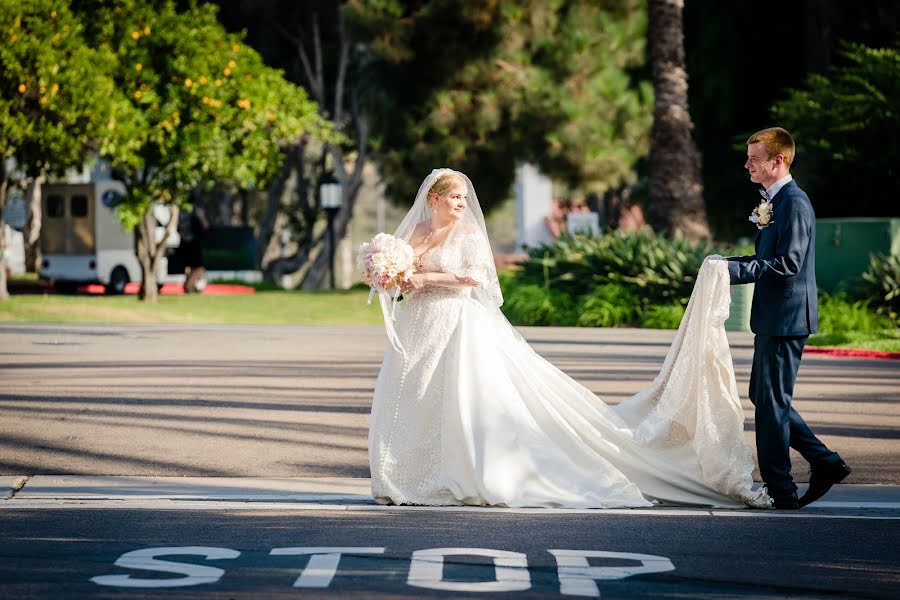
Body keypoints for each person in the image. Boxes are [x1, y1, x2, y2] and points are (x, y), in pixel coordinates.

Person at [368, 168, 770, 509]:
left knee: (461, 398)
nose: (461, 203)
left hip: (458, 322)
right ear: (434, 199)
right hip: (419, 324)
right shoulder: (419, 230)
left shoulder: (469, 231)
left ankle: (460, 474)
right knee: (416, 394)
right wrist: (392, 272)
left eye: (462, 197)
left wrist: (426, 277)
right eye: (454, 197)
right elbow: (403, 274)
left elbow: (475, 276)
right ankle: (406, 476)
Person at [725, 128, 851, 510]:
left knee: (772, 402)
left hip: (787, 317)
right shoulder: (774, 203)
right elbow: (766, 258)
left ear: (778, 161)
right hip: (773, 317)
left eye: (754, 158)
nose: (747, 164)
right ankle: (825, 462)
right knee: (763, 397)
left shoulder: (793, 202)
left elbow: (789, 264)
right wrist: (725, 265)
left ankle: (782, 488)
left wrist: (735, 274)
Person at [181, 205, 209, 294]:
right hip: (194, 243)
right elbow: (205, 225)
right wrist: (202, 216)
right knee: (199, 267)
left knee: (190, 267)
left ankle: (190, 286)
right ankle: (189, 287)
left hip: (183, 242)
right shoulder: (195, 211)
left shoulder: (180, 212)